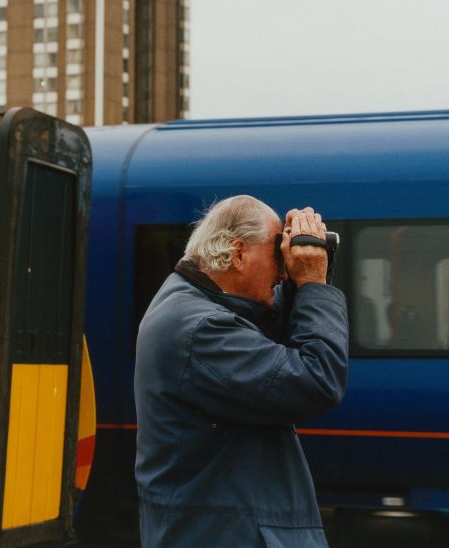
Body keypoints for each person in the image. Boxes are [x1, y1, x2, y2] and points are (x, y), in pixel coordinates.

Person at [134, 195, 349, 547]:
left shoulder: (195, 307)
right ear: (237, 254)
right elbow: (316, 379)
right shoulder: (200, 330)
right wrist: (312, 283)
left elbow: (274, 337)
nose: (284, 270)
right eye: (277, 256)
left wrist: (300, 284)